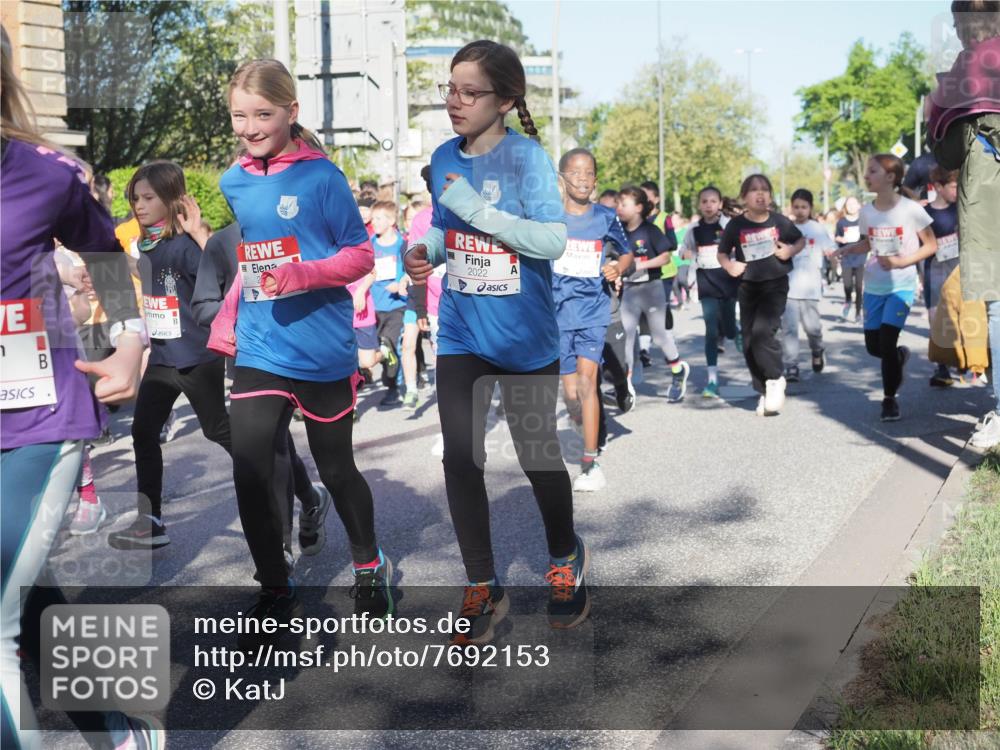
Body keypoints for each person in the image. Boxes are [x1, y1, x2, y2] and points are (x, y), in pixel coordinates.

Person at [1, 23, 163, 747]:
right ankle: (118, 728)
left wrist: (130, 341)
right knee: (21, 595)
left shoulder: (45, 171)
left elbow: (106, 255)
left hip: (31, 418)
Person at [404, 40, 589, 642]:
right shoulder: (441, 154)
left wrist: (471, 208)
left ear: (506, 99)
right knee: (461, 457)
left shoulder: (528, 159)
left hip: (525, 340)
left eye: (470, 91)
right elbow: (442, 230)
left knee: (538, 459)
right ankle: (482, 581)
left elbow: (551, 243)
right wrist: (424, 253)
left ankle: (564, 559)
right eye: (449, 89)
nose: (454, 101)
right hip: (461, 333)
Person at [216, 58, 392, 639]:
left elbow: (360, 255)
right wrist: (229, 315)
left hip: (320, 347)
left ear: (291, 112)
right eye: (239, 116)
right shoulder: (233, 181)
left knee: (337, 468)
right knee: (248, 464)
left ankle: (369, 563)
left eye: (261, 114)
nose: (249, 127)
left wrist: (304, 275)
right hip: (261, 346)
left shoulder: (323, 178)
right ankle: (273, 581)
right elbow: (253, 257)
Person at [106, 162, 232, 550]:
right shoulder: (150, 245)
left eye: (147, 198)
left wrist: (200, 238)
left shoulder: (186, 247)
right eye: (134, 199)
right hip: (161, 358)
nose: (138, 206)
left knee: (221, 432)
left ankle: (302, 489)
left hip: (197, 357)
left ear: (172, 199)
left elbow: (226, 281)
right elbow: (145, 272)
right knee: (143, 432)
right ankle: (151, 521)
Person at [191, 220, 333, 557]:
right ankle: (283, 542)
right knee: (273, 449)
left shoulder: (302, 229)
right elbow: (201, 305)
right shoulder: (222, 241)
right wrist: (238, 312)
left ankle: (311, 503)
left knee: (283, 449)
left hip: (302, 355)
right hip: (252, 362)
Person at [929, 0, 1000, 447]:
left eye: (958, 25)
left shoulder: (965, 71)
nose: (957, 34)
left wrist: (935, 111)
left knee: (996, 306)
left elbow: (950, 154)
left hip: (990, 208)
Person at [835, 155, 937, 422]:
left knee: (888, 340)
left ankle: (889, 399)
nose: (866, 176)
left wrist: (901, 262)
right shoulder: (867, 212)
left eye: (872, 171)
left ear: (890, 177)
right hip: (874, 286)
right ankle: (898, 357)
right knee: (874, 347)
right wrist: (848, 249)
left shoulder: (911, 210)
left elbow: (930, 245)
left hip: (901, 286)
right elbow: (869, 244)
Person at [554, 147, 631, 492]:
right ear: (563, 178)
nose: (582, 179)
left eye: (589, 174)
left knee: (587, 384)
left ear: (596, 180)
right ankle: (579, 422)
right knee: (570, 394)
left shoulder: (605, 216)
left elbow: (627, 253)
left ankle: (590, 460)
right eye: (575, 173)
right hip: (556, 312)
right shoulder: (549, 218)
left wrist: (618, 266)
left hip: (592, 309)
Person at [718, 174, 805, 417]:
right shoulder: (735, 226)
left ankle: (776, 378)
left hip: (775, 284)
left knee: (762, 333)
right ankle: (764, 390)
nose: (760, 194)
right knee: (748, 341)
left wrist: (790, 250)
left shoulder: (779, 222)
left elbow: (799, 240)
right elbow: (722, 253)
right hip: (748, 286)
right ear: (744, 197)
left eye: (765, 189)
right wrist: (729, 265)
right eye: (754, 190)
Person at [617, 185, 690, 403]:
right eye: (618, 204)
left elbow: (666, 257)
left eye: (624, 204)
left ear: (639, 207)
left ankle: (678, 372)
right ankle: (626, 386)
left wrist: (638, 265)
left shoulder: (650, 231)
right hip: (629, 290)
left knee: (659, 336)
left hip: (652, 288)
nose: (619, 208)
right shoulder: (617, 232)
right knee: (627, 335)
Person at [680, 186, 739, 398]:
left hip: (728, 281)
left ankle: (735, 332)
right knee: (711, 331)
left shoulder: (729, 227)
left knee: (730, 329)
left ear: (720, 204)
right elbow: (682, 249)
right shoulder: (694, 229)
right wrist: (685, 253)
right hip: (706, 283)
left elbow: (740, 249)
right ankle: (712, 380)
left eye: (713, 201)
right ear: (699, 205)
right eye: (704, 201)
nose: (708, 205)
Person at [782, 189, 833, 382]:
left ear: (810, 208)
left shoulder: (817, 228)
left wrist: (835, 253)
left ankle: (817, 350)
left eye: (804, 207)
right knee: (790, 329)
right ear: (791, 207)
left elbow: (830, 248)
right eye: (796, 206)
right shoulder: (786, 228)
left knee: (812, 328)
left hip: (810, 287)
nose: (800, 210)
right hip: (788, 288)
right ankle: (791, 365)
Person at [924, 166, 962, 386]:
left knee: (960, 316)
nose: (957, 191)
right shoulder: (925, 213)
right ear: (938, 187)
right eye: (954, 187)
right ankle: (942, 368)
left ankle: (963, 358)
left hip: (959, 269)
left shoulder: (961, 209)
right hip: (934, 271)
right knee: (934, 317)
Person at [369, 200, 408, 407]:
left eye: (378, 218)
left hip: (396, 305)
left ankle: (393, 388)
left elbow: (408, 269)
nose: (373, 222)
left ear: (391, 221)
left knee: (390, 347)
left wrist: (400, 281)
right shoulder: (370, 243)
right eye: (373, 218)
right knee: (379, 350)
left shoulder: (402, 244)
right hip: (374, 306)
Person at [835, 196, 865, 322]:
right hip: (847, 257)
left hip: (860, 258)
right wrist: (841, 239)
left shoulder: (863, 220)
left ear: (859, 205)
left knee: (859, 287)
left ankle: (858, 313)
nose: (852, 206)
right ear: (845, 208)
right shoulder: (841, 222)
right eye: (849, 204)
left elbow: (867, 238)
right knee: (847, 285)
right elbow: (836, 236)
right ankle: (848, 301)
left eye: (854, 203)